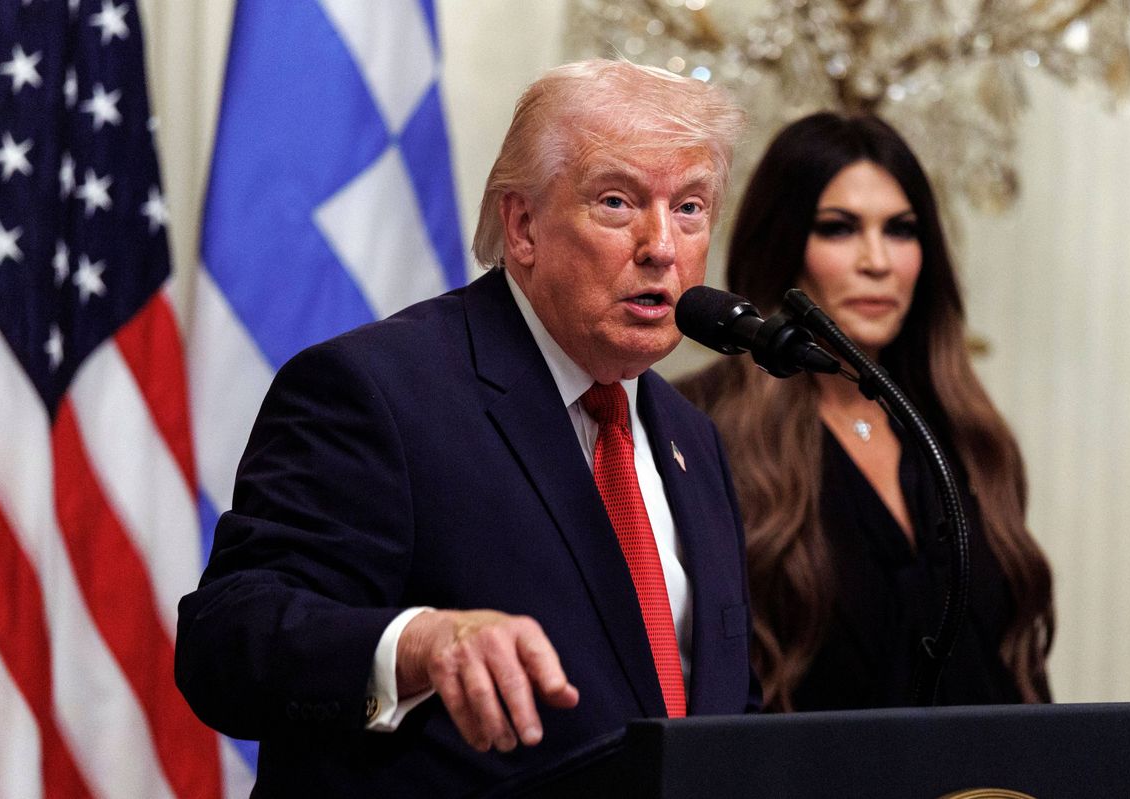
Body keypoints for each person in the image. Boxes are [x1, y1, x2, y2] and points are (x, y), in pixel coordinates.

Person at [175, 59, 754, 796]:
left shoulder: (691, 438)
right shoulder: (377, 391)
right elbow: (226, 642)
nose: (662, 246)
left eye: (691, 208)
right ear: (522, 226)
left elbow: (724, 709)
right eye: (617, 201)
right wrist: (417, 643)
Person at [677, 112, 1053, 712]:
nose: (877, 261)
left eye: (901, 230)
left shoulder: (967, 430)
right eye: (839, 229)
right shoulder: (695, 426)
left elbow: (1011, 670)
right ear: (784, 246)